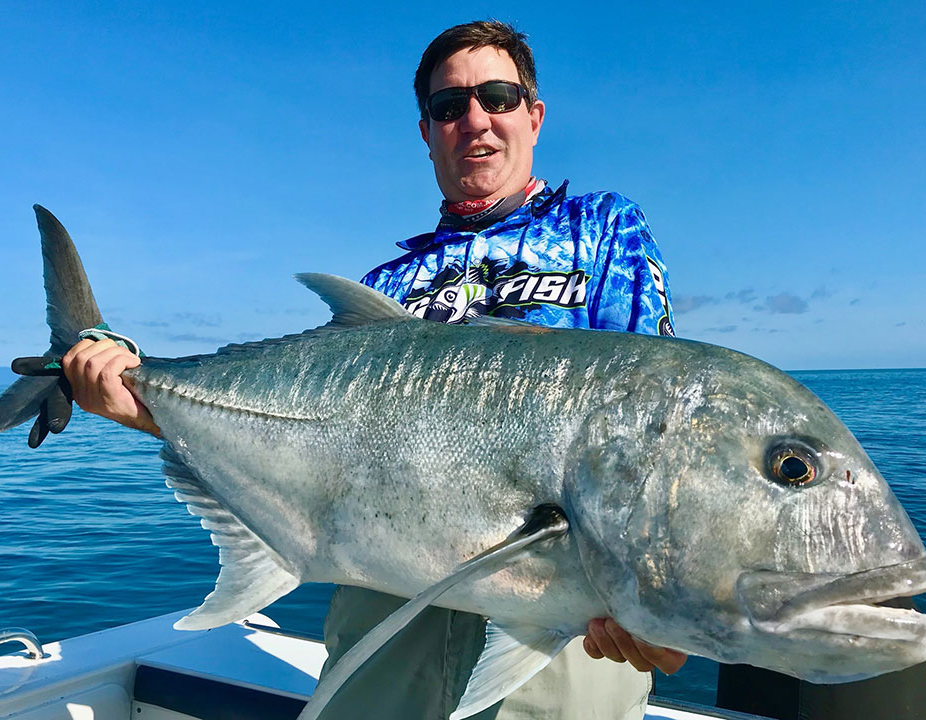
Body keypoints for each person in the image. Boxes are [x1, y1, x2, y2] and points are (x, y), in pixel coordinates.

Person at [62, 20, 686, 719]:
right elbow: (299, 447)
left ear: (533, 116)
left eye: (498, 96)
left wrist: (666, 594)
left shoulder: (603, 230)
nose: (475, 119)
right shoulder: (389, 284)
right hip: (386, 634)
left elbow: (650, 433)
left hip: (557, 635)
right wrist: (141, 401)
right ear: (427, 132)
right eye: (450, 107)